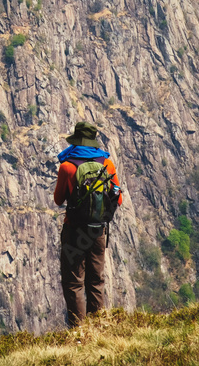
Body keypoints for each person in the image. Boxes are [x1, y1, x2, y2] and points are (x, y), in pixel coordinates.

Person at [53, 120, 123, 326]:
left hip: (74, 232)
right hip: (98, 231)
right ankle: (98, 328)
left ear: (76, 141)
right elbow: (117, 198)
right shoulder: (107, 164)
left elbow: (58, 200)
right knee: (96, 280)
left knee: (74, 282)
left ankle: (78, 331)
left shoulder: (67, 166)